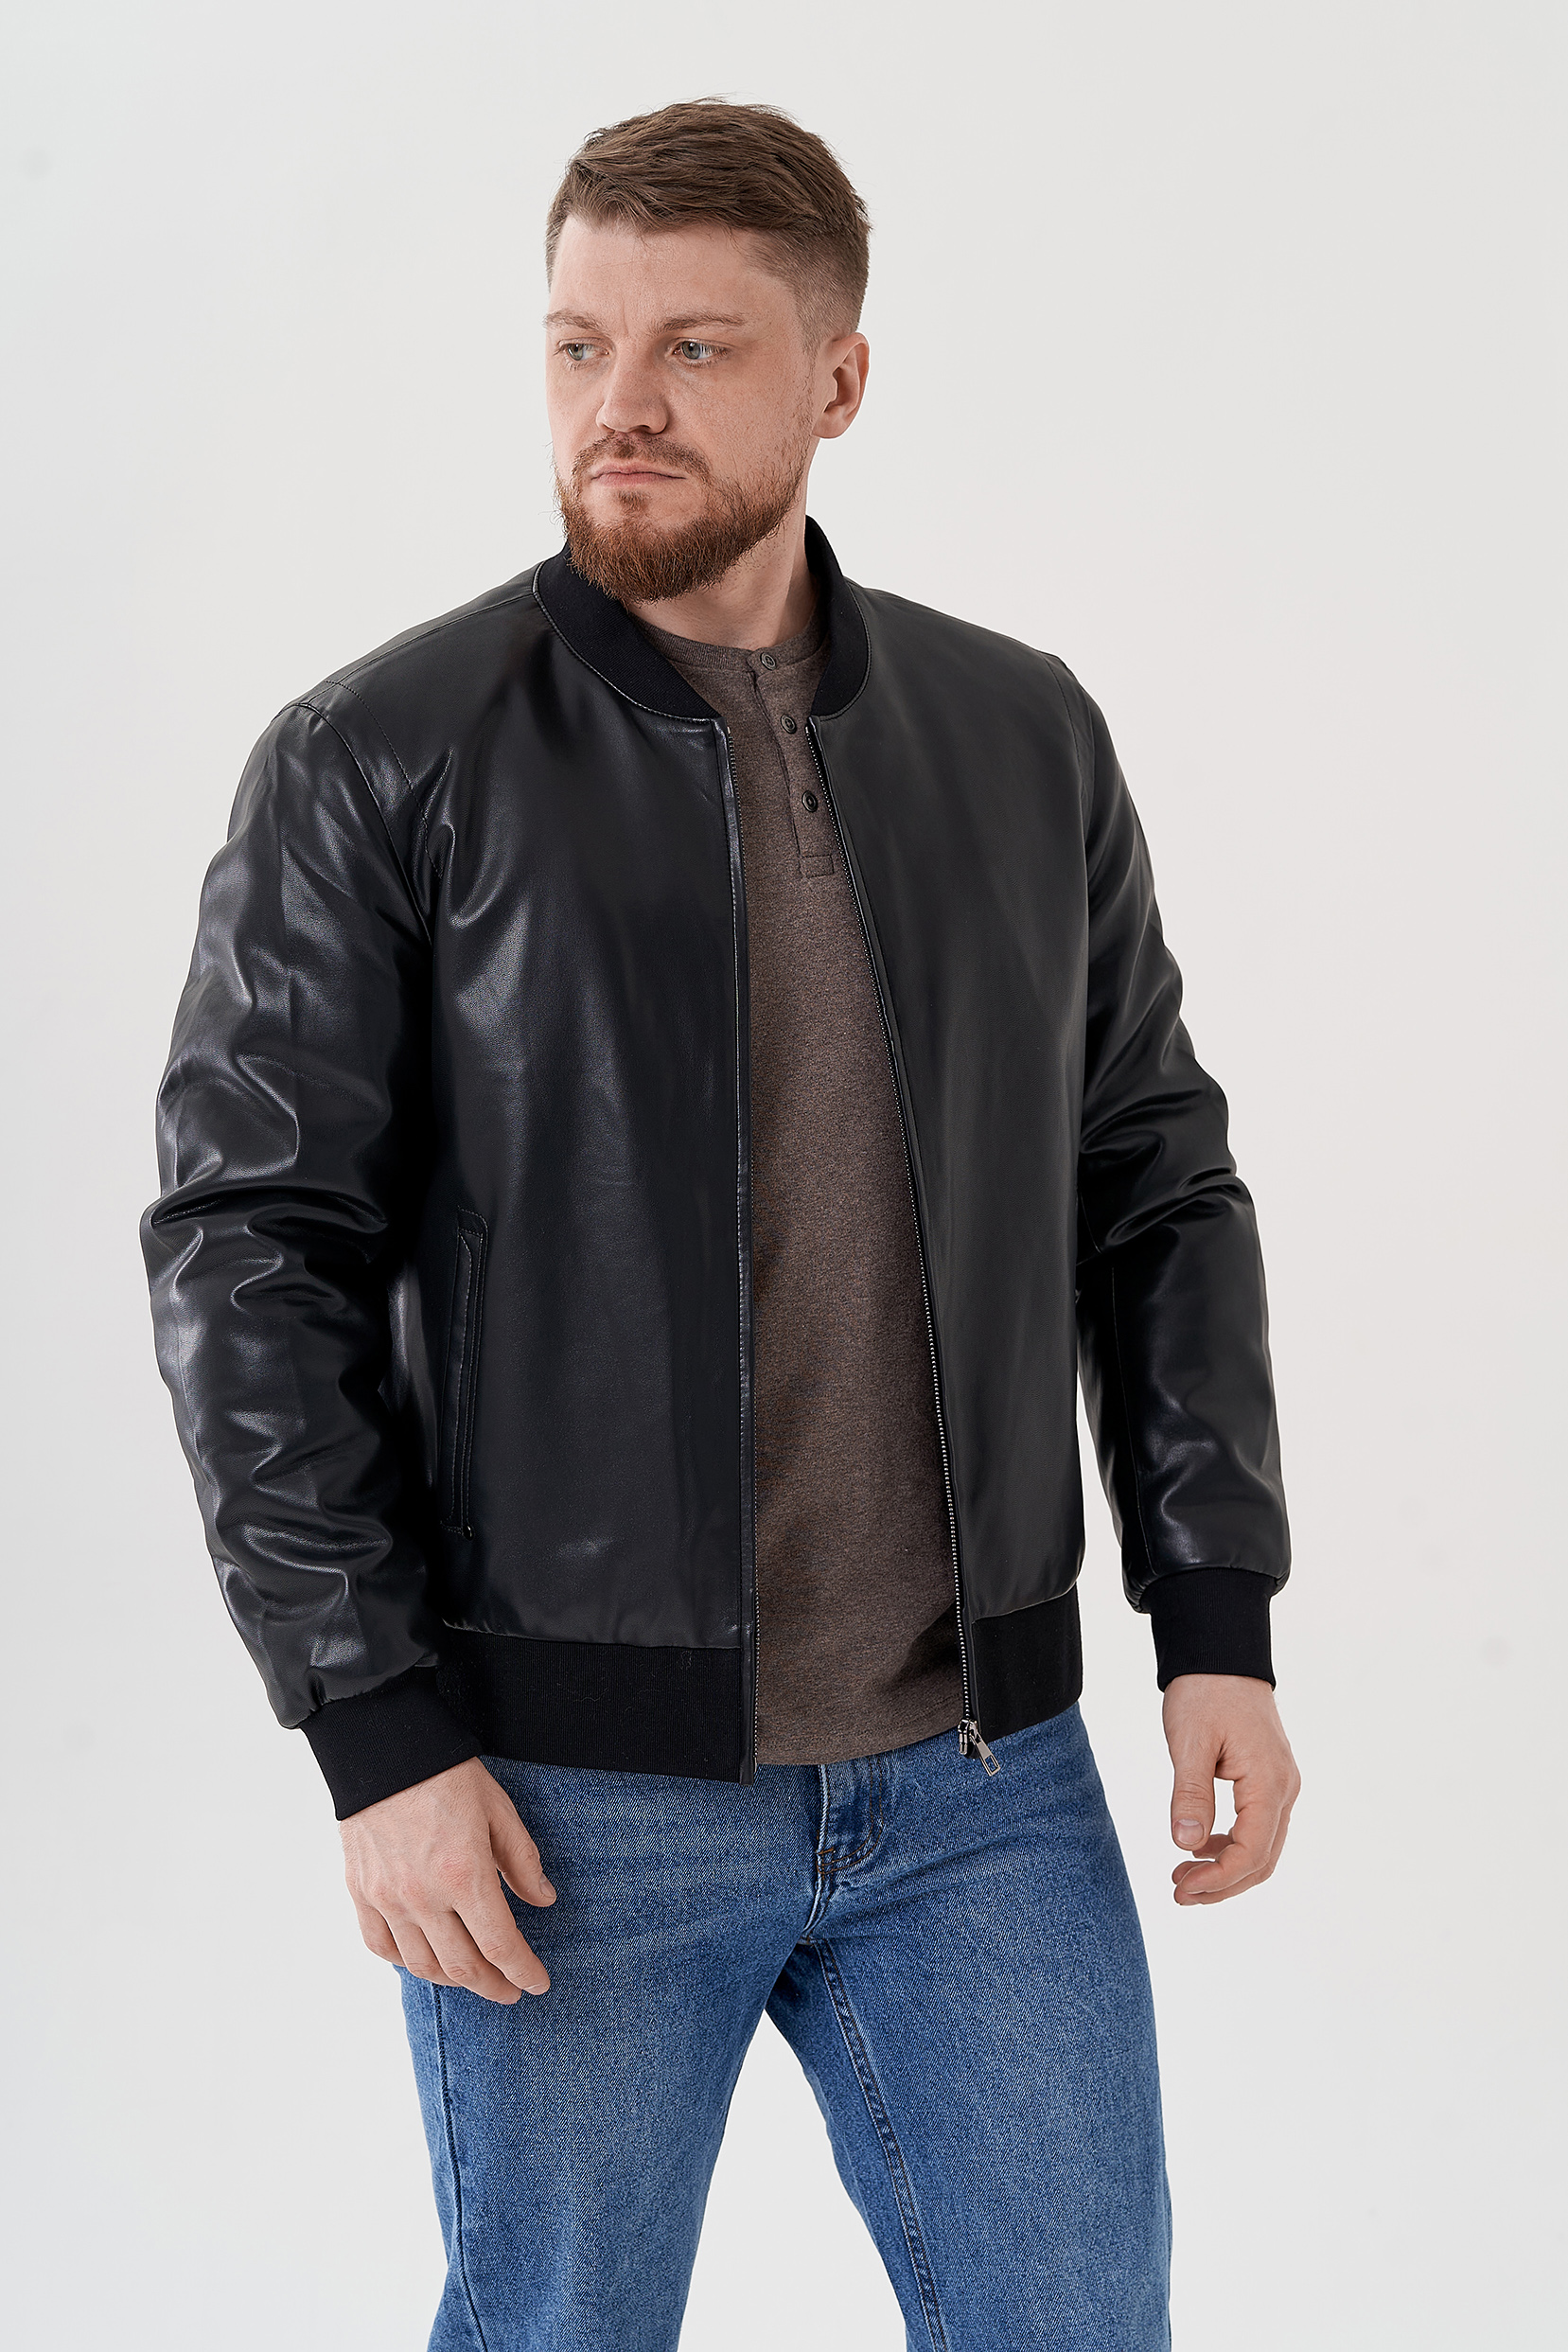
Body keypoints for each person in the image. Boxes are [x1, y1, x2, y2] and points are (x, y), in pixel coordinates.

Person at [141, 97, 1298, 2352]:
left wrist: (1217, 1615)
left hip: (981, 1779)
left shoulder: (1019, 737)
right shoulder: (381, 754)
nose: (622, 405)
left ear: (837, 381)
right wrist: (376, 1728)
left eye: (694, 347)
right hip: (567, 1791)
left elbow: (1153, 1177)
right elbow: (247, 1249)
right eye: (578, 345)